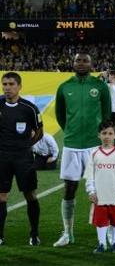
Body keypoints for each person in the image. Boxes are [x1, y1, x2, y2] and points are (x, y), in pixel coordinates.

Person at [54, 53, 112, 248]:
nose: (81, 64)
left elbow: (106, 115)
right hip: (71, 144)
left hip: (94, 145)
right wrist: (71, 130)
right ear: (73, 63)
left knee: (101, 189)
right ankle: (67, 233)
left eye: (85, 60)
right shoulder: (64, 87)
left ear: (91, 64)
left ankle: (106, 234)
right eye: (78, 60)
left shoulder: (100, 86)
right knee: (69, 188)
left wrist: (102, 139)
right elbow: (60, 115)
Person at [0, 72, 43, 246]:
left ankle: (34, 233)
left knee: (30, 194)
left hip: (23, 158)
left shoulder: (29, 108)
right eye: (4, 84)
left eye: (11, 84)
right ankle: (0, 235)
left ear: (19, 86)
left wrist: (26, 145)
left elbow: (39, 131)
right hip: (2, 157)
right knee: (1, 196)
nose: (7, 88)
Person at [85, 121, 115, 254]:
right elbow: (89, 175)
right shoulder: (94, 153)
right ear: (99, 135)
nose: (107, 136)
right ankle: (102, 243)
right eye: (104, 133)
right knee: (101, 221)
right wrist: (91, 191)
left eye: (110, 133)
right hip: (100, 195)